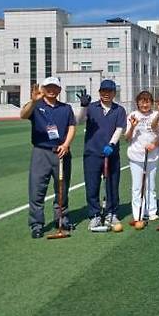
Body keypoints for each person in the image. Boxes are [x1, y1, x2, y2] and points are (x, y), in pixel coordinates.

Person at [20, 78, 76, 238]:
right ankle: (36, 224)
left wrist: (66, 145)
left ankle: (62, 220)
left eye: (55, 87)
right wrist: (33, 101)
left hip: (61, 152)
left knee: (62, 189)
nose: (51, 90)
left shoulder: (66, 108)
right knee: (37, 189)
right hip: (41, 152)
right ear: (43, 89)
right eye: (48, 87)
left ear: (59, 90)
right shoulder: (36, 106)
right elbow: (23, 115)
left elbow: (72, 126)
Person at [76, 79, 127, 230]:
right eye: (103, 91)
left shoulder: (119, 110)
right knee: (92, 186)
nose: (106, 94)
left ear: (114, 93)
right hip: (92, 153)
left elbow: (120, 128)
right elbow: (79, 121)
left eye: (109, 91)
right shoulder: (91, 108)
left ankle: (112, 213)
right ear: (99, 92)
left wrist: (111, 144)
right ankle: (95, 215)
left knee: (112, 184)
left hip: (111, 154)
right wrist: (84, 106)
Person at [125, 91, 159, 222]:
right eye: (142, 101)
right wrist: (133, 127)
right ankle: (138, 213)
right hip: (136, 156)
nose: (145, 104)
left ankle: (151, 211)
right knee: (137, 186)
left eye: (147, 101)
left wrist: (154, 145)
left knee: (151, 185)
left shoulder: (157, 115)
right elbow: (127, 138)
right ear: (137, 103)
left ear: (151, 103)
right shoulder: (133, 115)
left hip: (152, 156)